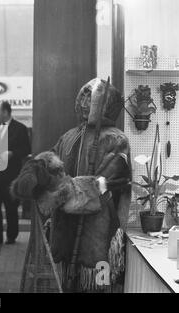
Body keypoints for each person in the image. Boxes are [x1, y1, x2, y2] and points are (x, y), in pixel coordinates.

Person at [11, 78, 132, 292]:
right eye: (83, 94)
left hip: (99, 235)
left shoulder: (116, 140)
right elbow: (51, 167)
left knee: (99, 287)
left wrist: (57, 193)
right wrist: (34, 172)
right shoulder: (69, 136)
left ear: (106, 103)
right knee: (66, 285)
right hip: (65, 233)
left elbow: (106, 185)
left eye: (90, 96)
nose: (85, 101)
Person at [0, 101, 31, 245]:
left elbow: (26, 149)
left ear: (5, 112)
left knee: (11, 208)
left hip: (11, 175)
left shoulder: (20, 128)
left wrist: (13, 153)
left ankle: (11, 236)